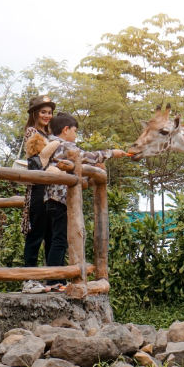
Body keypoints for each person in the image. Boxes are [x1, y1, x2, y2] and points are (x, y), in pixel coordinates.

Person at [44, 112, 125, 289]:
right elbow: (88, 156)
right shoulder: (64, 146)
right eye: (75, 131)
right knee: (60, 240)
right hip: (61, 200)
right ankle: (54, 281)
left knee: (52, 240)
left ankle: (56, 279)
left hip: (49, 199)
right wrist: (112, 153)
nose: (75, 135)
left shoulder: (50, 145)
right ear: (66, 130)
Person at [20, 94, 56, 294]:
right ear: (35, 113)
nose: (47, 115)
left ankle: (51, 279)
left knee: (51, 235)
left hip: (52, 189)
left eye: (50, 112)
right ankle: (29, 279)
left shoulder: (51, 135)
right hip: (38, 188)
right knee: (36, 234)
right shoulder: (32, 133)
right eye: (43, 112)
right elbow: (38, 161)